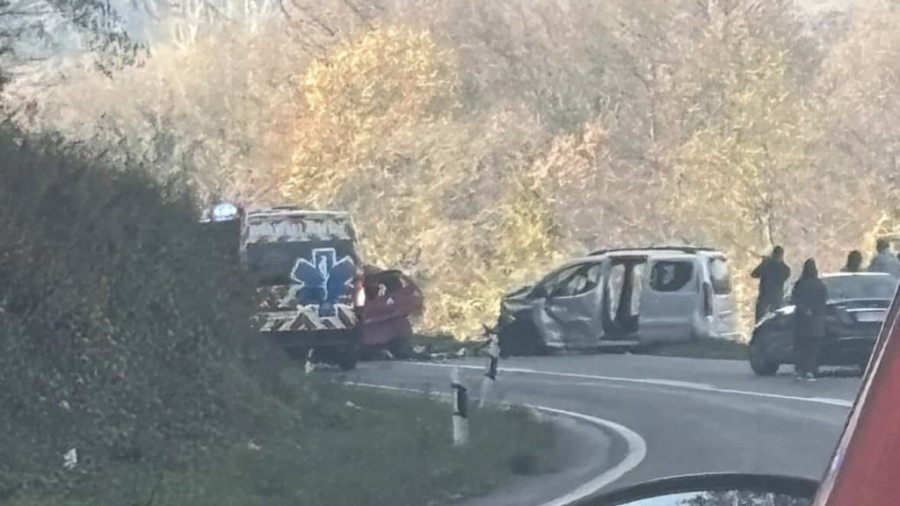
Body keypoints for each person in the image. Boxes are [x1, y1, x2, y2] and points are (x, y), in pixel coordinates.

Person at [791, 259, 828, 381]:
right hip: (817, 319)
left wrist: (805, 310)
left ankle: (800, 369)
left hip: (802, 319)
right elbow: (824, 299)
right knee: (813, 346)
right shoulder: (820, 285)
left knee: (801, 346)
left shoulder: (800, 284)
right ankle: (810, 370)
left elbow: (795, 299)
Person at [750, 245, 791, 322]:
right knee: (776, 320)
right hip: (776, 297)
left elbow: (754, 274)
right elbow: (754, 275)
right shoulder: (785, 268)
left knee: (760, 321)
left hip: (765, 297)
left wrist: (764, 263)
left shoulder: (767, 266)